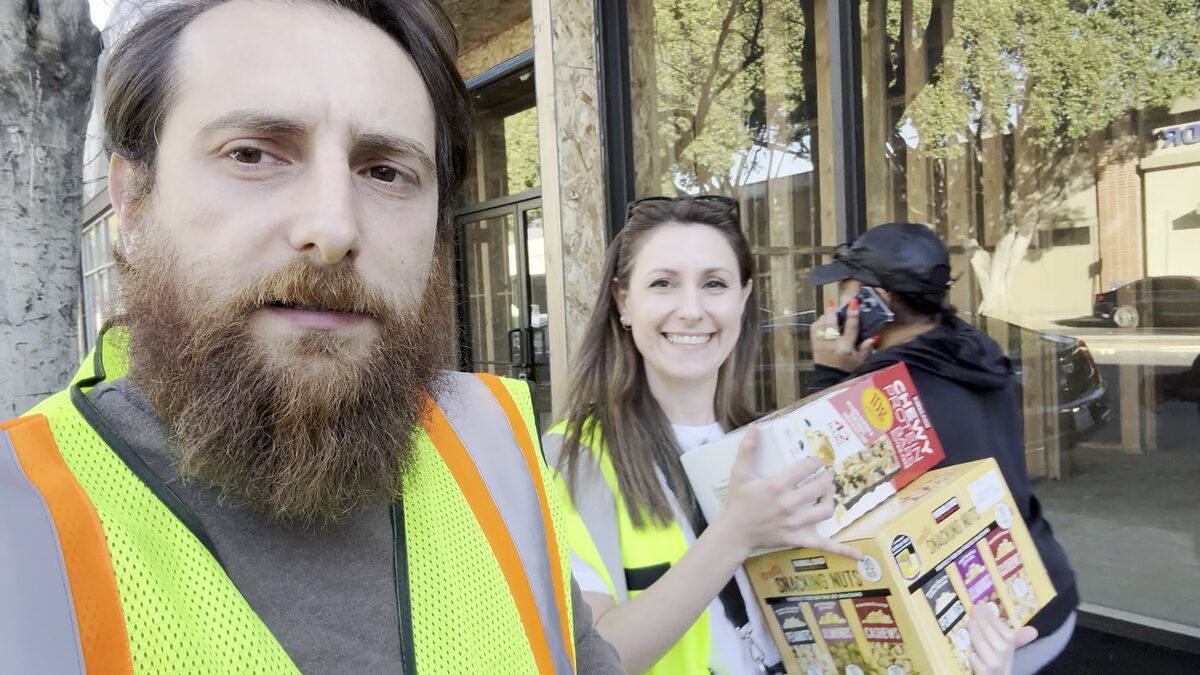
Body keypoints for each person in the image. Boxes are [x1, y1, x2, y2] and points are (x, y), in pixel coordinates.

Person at [0, 1, 620, 673]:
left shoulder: (499, 454)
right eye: (254, 154)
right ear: (133, 201)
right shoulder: (20, 527)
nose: (334, 229)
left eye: (385, 171)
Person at [543, 199, 1028, 674]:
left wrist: (963, 652)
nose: (691, 310)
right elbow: (592, 659)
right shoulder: (574, 457)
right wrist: (733, 537)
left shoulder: (774, 439)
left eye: (714, 283)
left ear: (742, 297)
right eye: (663, 284)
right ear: (623, 301)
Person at [808, 222, 1077, 674]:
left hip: (986, 640)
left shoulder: (879, 394)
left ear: (877, 300)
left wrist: (830, 375)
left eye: (847, 288)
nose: (837, 301)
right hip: (1047, 590)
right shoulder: (975, 351)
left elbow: (815, 493)